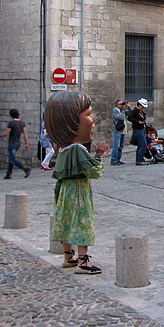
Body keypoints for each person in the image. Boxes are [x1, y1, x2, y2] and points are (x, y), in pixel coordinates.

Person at [45, 90, 110, 275]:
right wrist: (100, 155)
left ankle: (68, 257)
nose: (93, 120)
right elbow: (93, 171)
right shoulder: (77, 149)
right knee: (83, 222)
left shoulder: (64, 149)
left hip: (64, 191)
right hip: (78, 191)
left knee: (66, 221)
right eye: (88, 115)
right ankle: (83, 261)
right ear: (71, 122)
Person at [0, 108, 31, 179]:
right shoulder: (22, 123)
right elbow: (25, 134)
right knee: (11, 158)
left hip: (12, 142)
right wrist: (26, 143)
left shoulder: (11, 123)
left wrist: (0, 135)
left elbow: (6, 133)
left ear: (11, 115)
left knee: (12, 159)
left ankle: (24, 168)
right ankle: (9, 174)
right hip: (18, 142)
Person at [127, 98, 148, 166]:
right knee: (143, 144)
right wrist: (137, 122)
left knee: (141, 144)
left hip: (142, 129)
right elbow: (129, 118)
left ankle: (139, 159)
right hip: (137, 129)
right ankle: (140, 159)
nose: (142, 108)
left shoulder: (141, 112)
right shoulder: (135, 112)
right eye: (142, 106)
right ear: (139, 105)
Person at [110, 100, 128, 166]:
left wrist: (128, 107)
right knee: (116, 146)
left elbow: (130, 113)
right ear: (117, 105)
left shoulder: (123, 111)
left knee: (121, 146)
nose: (122, 105)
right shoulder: (115, 110)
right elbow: (120, 117)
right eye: (121, 104)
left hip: (123, 130)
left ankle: (118, 159)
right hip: (117, 130)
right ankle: (114, 160)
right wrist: (123, 110)